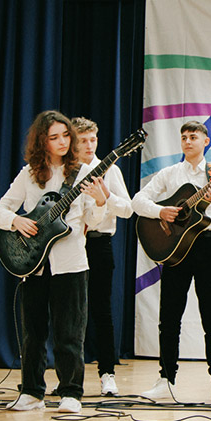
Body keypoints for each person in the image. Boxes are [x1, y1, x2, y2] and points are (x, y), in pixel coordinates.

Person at [0, 110, 107, 413]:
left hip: (71, 263)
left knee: (70, 333)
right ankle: (31, 392)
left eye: (66, 135)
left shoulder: (83, 173)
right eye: (54, 137)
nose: (62, 142)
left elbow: (94, 220)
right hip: (35, 264)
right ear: (42, 141)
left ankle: (71, 393)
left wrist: (100, 201)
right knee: (33, 333)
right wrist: (16, 221)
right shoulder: (29, 174)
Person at [132, 121, 211, 402]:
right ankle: (166, 378)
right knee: (169, 317)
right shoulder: (170, 173)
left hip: (206, 246)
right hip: (175, 249)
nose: (188, 141)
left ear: (206, 141)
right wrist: (160, 211)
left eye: (193, 137)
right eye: (184, 137)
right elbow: (137, 201)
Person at [71, 117, 133, 397]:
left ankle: (107, 373)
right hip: (69, 245)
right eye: (83, 140)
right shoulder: (67, 170)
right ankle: (69, 377)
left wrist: (106, 196)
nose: (89, 145)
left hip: (99, 244)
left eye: (93, 139)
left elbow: (128, 209)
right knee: (69, 313)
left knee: (101, 310)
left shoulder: (110, 170)